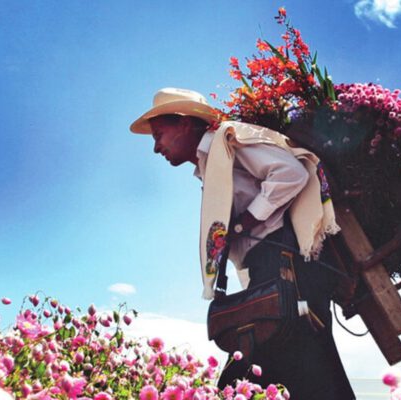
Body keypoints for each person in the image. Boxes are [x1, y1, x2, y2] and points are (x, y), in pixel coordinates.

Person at [130, 88, 355, 399]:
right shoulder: (214, 159)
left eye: (159, 134)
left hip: (288, 268)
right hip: (274, 269)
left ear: (183, 123)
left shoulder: (230, 139)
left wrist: (243, 221)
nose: (156, 148)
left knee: (261, 379)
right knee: (304, 377)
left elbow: (289, 173)